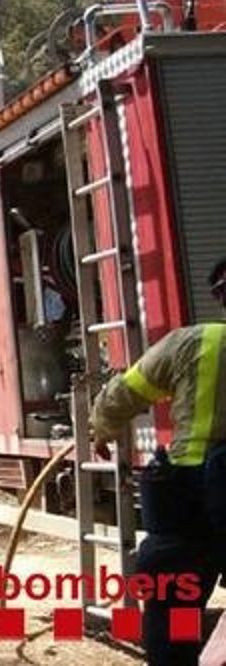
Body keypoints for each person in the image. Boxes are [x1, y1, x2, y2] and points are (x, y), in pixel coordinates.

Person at [92, 257, 226, 666]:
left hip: (184, 498)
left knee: (175, 606)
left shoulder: (193, 343)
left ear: (219, 297)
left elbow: (121, 396)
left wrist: (103, 430)